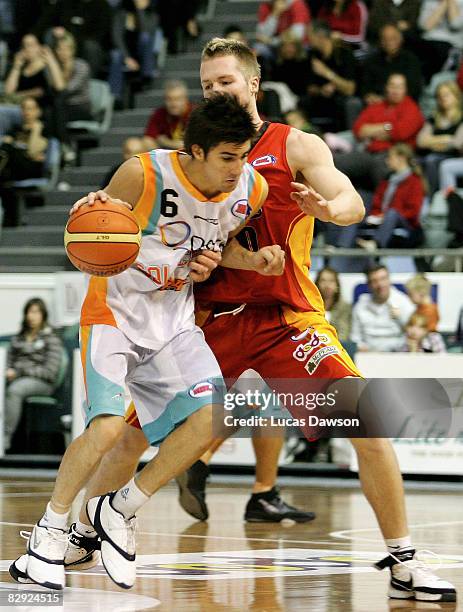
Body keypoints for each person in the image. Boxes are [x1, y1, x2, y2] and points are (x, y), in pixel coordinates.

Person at [51, 38, 455, 603]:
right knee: (124, 436)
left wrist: (328, 210)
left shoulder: (295, 146)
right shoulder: (193, 153)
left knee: (368, 419)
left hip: (281, 317)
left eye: (226, 82)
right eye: (208, 85)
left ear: (253, 83)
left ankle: (405, 560)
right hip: (202, 320)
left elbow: (352, 203)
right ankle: (81, 533)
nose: (217, 91)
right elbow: (133, 213)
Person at [10, 94, 285, 591]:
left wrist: (253, 260)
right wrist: (87, 209)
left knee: (213, 416)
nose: (237, 168)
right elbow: (96, 226)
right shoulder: (142, 174)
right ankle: (49, 531)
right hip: (114, 313)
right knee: (109, 428)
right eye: (227, 157)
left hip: (174, 320)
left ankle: (120, 507)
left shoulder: (253, 188)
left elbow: (215, 251)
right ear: (195, 151)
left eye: (243, 155)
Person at [335, 73, 425, 190]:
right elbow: (358, 130)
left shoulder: (411, 108)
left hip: (394, 153)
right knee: (337, 162)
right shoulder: (377, 106)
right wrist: (387, 128)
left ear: (405, 90)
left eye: (399, 87)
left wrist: (372, 131)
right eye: (392, 86)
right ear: (386, 88)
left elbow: (401, 133)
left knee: (379, 165)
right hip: (369, 152)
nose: (395, 91)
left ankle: (384, 205)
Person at [4, 298, 63, 453]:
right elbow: (7, 362)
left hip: (42, 383)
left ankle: (4, 438)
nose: (32, 316)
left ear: (43, 315)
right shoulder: (18, 338)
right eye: (29, 312)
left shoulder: (51, 339)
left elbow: (50, 372)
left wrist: (19, 372)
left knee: (15, 390)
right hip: (14, 377)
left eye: (36, 312)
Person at [0, 97, 49, 227]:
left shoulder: (44, 129)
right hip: (12, 169)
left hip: (31, 168)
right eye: (24, 108)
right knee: (6, 149)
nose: (26, 112)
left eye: (30, 108)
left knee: (8, 149)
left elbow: (33, 151)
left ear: (38, 111)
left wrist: (36, 128)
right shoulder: (15, 130)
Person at [350, 264, 416, 352]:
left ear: (389, 280)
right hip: (369, 355)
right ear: (368, 285)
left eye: (383, 279)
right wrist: (360, 347)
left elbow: (414, 334)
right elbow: (355, 337)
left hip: (398, 354)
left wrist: (400, 318)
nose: (380, 285)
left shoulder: (403, 302)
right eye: (374, 281)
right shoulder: (360, 306)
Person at [416, 81, 463, 195]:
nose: (443, 99)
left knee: (432, 160)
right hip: (434, 156)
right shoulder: (434, 118)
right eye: (439, 96)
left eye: (446, 95)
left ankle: (435, 197)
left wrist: (432, 141)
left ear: (456, 96)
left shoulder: (461, 117)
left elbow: (457, 143)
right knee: (417, 162)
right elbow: (420, 141)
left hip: (454, 157)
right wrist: (446, 138)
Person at [360, 24, 423, 104]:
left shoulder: (411, 60)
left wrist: (386, 100)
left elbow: (414, 90)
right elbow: (365, 87)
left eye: (393, 38)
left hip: (403, 104)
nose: (389, 42)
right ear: (380, 41)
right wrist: (369, 96)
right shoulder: (371, 61)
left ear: (401, 39)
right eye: (385, 39)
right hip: (374, 104)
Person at [141, 80, 193, 151]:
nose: (173, 104)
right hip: (166, 157)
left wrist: (165, 142)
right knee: (133, 145)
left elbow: (193, 144)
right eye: (169, 99)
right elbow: (147, 140)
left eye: (177, 99)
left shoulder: (195, 113)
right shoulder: (160, 113)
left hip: (190, 157)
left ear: (185, 99)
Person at [314, 267, 352, 342]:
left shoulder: (344, 307)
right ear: (316, 284)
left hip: (337, 347)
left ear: (337, 285)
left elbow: (343, 334)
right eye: (323, 280)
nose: (327, 285)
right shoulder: (310, 306)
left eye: (331, 281)